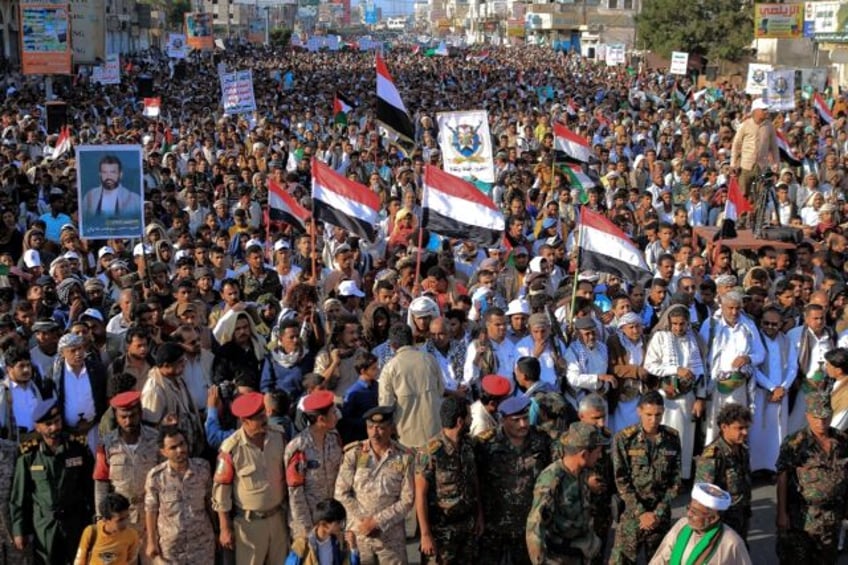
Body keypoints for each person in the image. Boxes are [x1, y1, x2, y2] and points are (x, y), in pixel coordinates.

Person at [10, 398, 95, 565]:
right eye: (48, 424)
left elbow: (90, 487)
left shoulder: (77, 448)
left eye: (57, 421)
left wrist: (95, 519)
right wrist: (19, 530)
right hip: (45, 527)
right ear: (37, 427)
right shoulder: (29, 455)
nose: (54, 427)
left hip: (76, 522)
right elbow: (19, 496)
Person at [212, 391, 289, 564]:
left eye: (264, 414)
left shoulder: (278, 436)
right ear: (245, 421)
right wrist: (224, 528)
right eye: (259, 418)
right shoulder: (231, 449)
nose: (265, 420)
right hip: (249, 526)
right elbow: (221, 492)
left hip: (278, 519)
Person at [475, 395, 551, 565]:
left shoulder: (541, 439)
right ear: (503, 420)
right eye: (516, 420)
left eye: (525, 418)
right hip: (494, 524)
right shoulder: (485, 444)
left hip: (529, 524)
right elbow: (475, 481)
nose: (523, 424)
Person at [334, 405, 414, 565]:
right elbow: (341, 493)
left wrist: (377, 521)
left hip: (391, 537)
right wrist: (365, 521)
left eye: (381, 428)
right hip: (359, 534)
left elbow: (407, 499)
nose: (374, 433)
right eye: (370, 427)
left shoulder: (404, 457)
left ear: (392, 428)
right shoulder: (354, 454)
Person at [611, 391, 683, 565]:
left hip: (660, 514)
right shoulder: (624, 438)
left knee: (659, 560)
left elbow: (676, 480)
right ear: (639, 412)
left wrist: (657, 513)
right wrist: (642, 513)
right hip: (632, 512)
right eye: (648, 415)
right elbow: (621, 480)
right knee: (622, 560)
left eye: (658, 415)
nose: (653, 420)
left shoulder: (672, 438)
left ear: (663, 412)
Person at [776, 392, 848, 563]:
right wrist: (781, 513)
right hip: (802, 519)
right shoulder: (795, 443)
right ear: (808, 415)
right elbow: (783, 476)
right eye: (816, 417)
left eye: (825, 417)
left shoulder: (842, 440)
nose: (821, 422)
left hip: (831, 518)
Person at [525, 421, 606, 564]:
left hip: (581, 554)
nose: (599, 457)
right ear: (584, 454)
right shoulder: (552, 480)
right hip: (559, 557)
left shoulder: (583, 473)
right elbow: (535, 527)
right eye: (597, 453)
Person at [415, 396, 481, 564]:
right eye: (469, 416)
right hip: (441, 532)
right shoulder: (430, 452)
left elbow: (474, 483)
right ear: (460, 421)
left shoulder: (469, 446)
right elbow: (420, 495)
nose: (471, 419)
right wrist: (425, 534)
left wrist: (479, 515)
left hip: (467, 528)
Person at [643, 305, 706, 480]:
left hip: (688, 398)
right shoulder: (660, 337)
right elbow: (649, 365)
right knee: (664, 438)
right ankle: (663, 476)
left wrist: (700, 398)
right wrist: (675, 369)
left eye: (682, 324)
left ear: (688, 323)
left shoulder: (694, 339)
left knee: (685, 440)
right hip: (666, 399)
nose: (678, 328)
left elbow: (701, 371)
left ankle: (681, 477)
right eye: (675, 324)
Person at [93, 391, 160, 555]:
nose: (128, 421)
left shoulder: (156, 439)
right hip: (120, 518)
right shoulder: (107, 445)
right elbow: (101, 483)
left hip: (152, 516)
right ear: (116, 416)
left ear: (140, 413)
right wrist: (102, 517)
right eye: (123, 417)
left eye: (133, 415)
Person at [700, 291, 764, 445]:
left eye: (737, 308)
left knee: (738, 427)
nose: (734, 312)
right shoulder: (710, 324)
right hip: (715, 386)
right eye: (730, 308)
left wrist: (748, 358)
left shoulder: (748, 325)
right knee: (714, 428)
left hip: (739, 386)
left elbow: (761, 353)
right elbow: (701, 354)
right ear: (721, 306)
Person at [143, 425, 215, 564]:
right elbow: (150, 510)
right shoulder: (156, 477)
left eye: (182, 444)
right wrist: (151, 542)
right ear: (163, 452)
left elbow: (210, 502)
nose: (180, 450)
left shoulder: (202, 468)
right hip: (172, 548)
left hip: (202, 545)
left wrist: (217, 530)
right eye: (173, 447)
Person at [286, 389, 344, 539]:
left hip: (332, 519)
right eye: (332, 412)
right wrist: (306, 530)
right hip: (310, 522)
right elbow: (295, 493)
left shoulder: (334, 437)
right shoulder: (298, 447)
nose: (336, 415)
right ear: (321, 419)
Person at [648, 483, 752, 564]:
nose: (688, 514)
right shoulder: (682, 525)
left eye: (695, 512)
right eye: (689, 508)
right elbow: (661, 558)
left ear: (713, 518)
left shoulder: (732, 543)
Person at [378, 323, 443, 449]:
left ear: (392, 346)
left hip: (407, 438)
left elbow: (386, 406)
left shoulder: (389, 368)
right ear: (412, 340)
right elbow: (440, 390)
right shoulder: (429, 360)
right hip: (435, 432)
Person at [694, 404, 753, 541]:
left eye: (746, 427)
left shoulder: (742, 449)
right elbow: (703, 494)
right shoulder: (713, 455)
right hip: (722, 521)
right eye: (740, 428)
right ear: (724, 427)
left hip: (741, 516)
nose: (745, 432)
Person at [140, 342, 205, 456]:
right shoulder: (154, 390)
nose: (184, 365)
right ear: (166, 365)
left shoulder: (177, 378)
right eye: (180, 362)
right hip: (173, 453)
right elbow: (150, 430)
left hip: (189, 447)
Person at [750, 306, 793, 475]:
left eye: (774, 324)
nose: (770, 327)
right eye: (766, 323)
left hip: (781, 393)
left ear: (781, 324)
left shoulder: (786, 340)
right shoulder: (756, 340)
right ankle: (755, 468)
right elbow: (754, 368)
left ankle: (774, 469)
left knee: (777, 432)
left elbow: (792, 367)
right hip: (761, 392)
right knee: (756, 430)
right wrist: (771, 387)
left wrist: (783, 387)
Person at [730, 97, 779, 203]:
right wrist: (733, 164)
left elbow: (774, 147)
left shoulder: (769, 126)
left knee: (761, 196)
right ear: (756, 111)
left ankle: (757, 216)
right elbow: (736, 145)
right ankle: (743, 217)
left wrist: (776, 164)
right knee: (742, 195)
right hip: (746, 166)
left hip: (762, 166)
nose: (766, 112)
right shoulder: (745, 125)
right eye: (763, 110)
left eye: (766, 109)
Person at [285, 498, 360, 565]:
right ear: (324, 524)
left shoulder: (339, 542)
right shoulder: (303, 546)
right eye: (338, 522)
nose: (341, 526)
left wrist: (353, 547)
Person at [74, 492, 140, 565]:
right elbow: (79, 561)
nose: (125, 522)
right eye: (120, 520)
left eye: (127, 517)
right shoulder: (91, 533)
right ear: (105, 520)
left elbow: (132, 560)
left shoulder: (131, 535)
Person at [81, 155, 143, 220]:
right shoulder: (89, 197)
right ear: (100, 174)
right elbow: (85, 221)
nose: (108, 176)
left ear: (120, 174)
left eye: (113, 172)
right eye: (105, 172)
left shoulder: (134, 199)